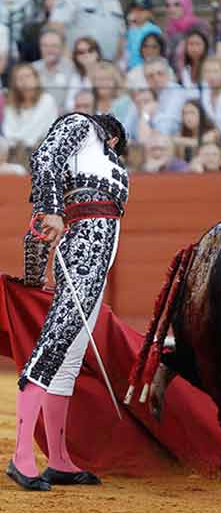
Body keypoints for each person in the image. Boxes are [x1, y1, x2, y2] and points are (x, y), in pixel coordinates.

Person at [5, 112, 128, 491]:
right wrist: (52, 210)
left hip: (99, 256)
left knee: (68, 359)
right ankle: (21, 455)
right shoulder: (81, 124)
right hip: (84, 247)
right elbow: (44, 159)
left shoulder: (104, 160)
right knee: (53, 347)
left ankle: (58, 459)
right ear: (113, 136)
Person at [3, 63, 58, 154]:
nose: (24, 81)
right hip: (15, 149)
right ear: (15, 83)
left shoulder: (47, 100)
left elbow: (40, 130)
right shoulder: (10, 104)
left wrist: (23, 141)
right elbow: (8, 130)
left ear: (36, 79)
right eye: (20, 78)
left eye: (28, 76)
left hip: (41, 149)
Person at [164, 0, 209, 72]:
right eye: (168, 5)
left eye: (177, 5)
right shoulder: (169, 29)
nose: (171, 8)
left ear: (185, 5)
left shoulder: (198, 26)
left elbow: (205, 54)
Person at [32, 27, 75, 113]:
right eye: (45, 45)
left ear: (62, 48)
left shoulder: (72, 69)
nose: (49, 50)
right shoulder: (32, 69)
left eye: (54, 46)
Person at [65, 36, 102, 112]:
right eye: (81, 52)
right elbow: (69, 104)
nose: (86, 54)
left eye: (90, 50)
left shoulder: (109, 72)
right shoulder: (75, 78)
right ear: (76, 57)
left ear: (97, 52)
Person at [125, 0, 161, 71]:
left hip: (147, 69)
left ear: (149, 12)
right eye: (134, 9)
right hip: (131, 69)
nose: (137, 13)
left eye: (141, 10)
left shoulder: (153, 30)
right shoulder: (131, 29)